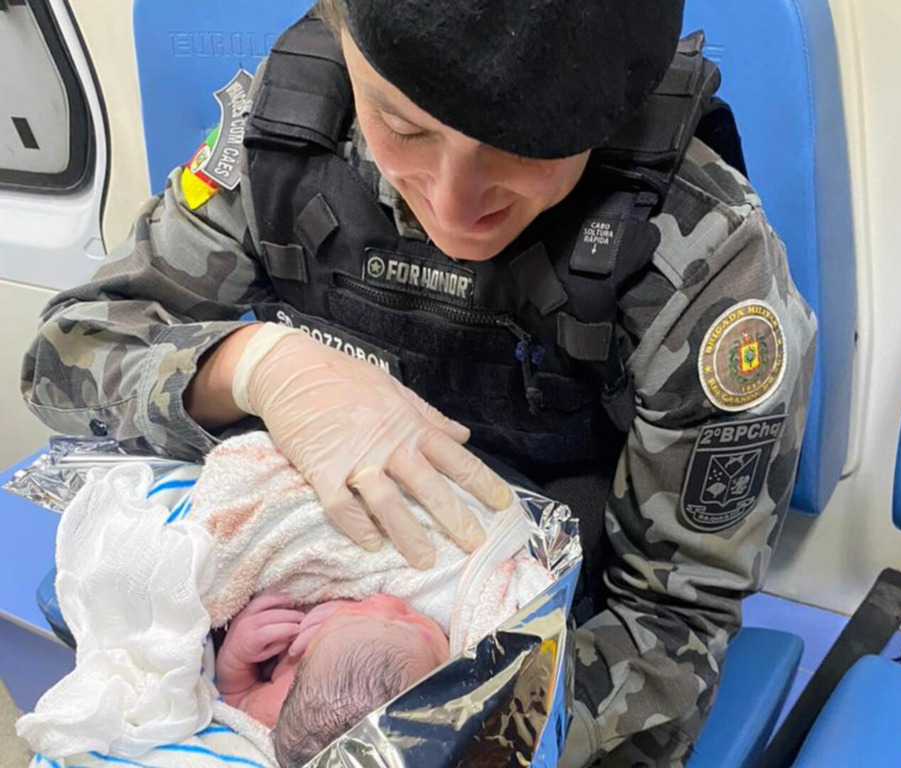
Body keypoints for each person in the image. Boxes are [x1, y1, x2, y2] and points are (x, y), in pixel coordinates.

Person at [21, 0, 817, 764]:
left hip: (532, 653)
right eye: (402, 129)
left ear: (610, 112)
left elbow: (672, 626)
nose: (452, 202)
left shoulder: (701, 262)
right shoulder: (283, 136)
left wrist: (444, 730)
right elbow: (71, 355)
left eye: (524, 148)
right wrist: (255, 367)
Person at [214, 593, 449, 768]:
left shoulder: (275, 705)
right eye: (356, 615)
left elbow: (237, 696)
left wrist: (234, 656)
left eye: (406, 622)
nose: (388, 600)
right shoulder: (444, 657)